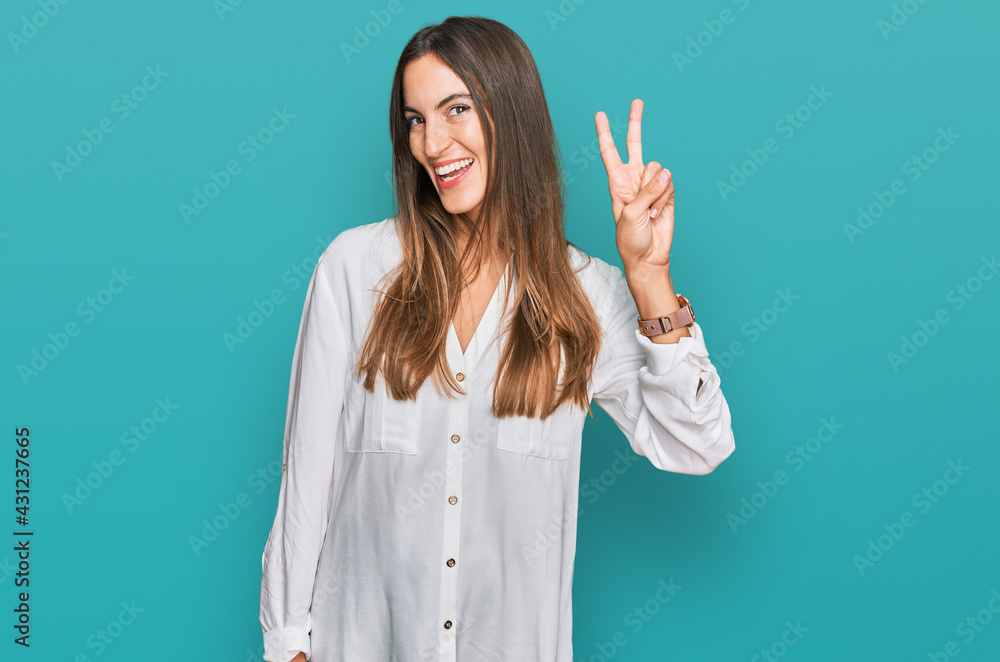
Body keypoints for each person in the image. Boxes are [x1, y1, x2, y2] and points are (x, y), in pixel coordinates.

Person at [259, 15, 735, 662]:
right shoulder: (353, 269)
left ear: (511, 113)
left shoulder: (587, 294)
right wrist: (287, 643)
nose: (432, 143)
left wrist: (649, 277)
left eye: (456, 109)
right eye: (415, 119)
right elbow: (306, 479)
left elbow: (699, 444)